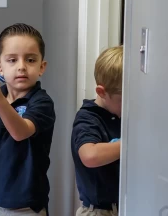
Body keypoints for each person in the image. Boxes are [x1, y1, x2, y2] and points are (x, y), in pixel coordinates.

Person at [0, 23, 56, 216]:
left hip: (28, 207)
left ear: (42, 67)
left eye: (30, 60)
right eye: (12, 60)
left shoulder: (41, 102)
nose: (21, 66)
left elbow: (20, 132)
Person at [71, 46, 123, 216]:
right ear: (102, 92)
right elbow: (90, 156)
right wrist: (132, 143)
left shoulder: (121, 115)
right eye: (125, 99)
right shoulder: (88, 118)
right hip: (98, 211)